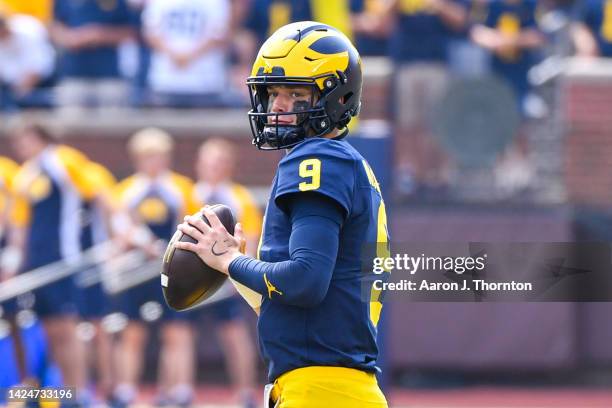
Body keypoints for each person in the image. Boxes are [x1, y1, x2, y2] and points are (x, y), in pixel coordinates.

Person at [175, 21, 389, 407]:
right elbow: (294, 303)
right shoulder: (344, 162)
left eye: (295, 93)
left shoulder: (317, 158)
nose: (278, 105)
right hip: (329, 386)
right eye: (274, 92)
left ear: (337, 98)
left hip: (322, 391)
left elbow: (305, 282)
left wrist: (231, 260)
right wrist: (238, 271)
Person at [7, 123, 103, 405]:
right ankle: (65, 392)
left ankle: (80, 391)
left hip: (63, 258)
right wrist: (14, 259)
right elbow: (19, 224)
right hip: (36, 264)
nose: (21, 147)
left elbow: (97, 196)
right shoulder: (26, 174)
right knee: (48, 330)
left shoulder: (65, 160)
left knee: (67, 328)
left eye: (25, 140)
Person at [111, 127, 199, 407]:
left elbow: (192, 225)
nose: (154, 162)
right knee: (132, 331)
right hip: (136, 271)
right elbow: (119, 227)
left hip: (171, 270)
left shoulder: (181, 188)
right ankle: (126, 389)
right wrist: (140, 241)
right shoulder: (127, 190)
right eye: (148, 156)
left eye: (159, 156)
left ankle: (177, 390)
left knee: (176, 332)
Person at [192, 138, 261, 407]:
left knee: (233, 333)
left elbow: (251, 235)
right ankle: (180, 392)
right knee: (179, 334)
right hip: (196, 276)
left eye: (219, 161)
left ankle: (244, 392)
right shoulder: (190, 194)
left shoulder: (238, 197)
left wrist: (242, 272)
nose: (213, 167)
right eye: (208, 161)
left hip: (226, 276)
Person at [141, 0, 232, 107]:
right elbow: (150, 33)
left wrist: (186, 56)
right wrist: (177, 55)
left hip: (206, 82)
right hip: (165, 81)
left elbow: (220, 34)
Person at [0, 12, 55, 110]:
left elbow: (41, 64)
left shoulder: (27, 30)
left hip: (41, 86)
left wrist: (23, 87)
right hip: (10, 90)